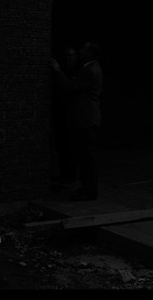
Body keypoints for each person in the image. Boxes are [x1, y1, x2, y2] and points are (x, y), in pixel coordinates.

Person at [50, 41, 103, 201]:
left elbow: (72, 86)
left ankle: (89, 190)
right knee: (86, 155)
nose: (80, 52)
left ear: (90, 54)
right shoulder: (91, 68)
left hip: (85, 118)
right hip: (87, 116)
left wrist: (58, 71)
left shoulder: (89, 71)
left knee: (86, 156)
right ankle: (87, 188)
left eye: (83, 50)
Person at [51, 47, 80, 188]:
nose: (69, 58)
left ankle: (70, 174)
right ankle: (65, 173)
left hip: (72, 113)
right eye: (67, 55)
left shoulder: (78, 71)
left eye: (71, 55)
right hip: (62, 111)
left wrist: (58, 72)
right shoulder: (65, 70)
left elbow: (70, 86)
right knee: (62, 145)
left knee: (70, 146)